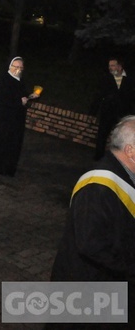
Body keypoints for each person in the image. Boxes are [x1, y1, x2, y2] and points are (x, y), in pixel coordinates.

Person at [51, 115, 135, 314]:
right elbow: (92, 245)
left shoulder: (125, 176)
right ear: (130, 151)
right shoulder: (97, 187)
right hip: (86, 290)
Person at [91, 57, 135, 161]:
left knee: (120, 137)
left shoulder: (130, 79)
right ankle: (98, 157)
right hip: (107, 112)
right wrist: (93, 112)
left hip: (122, 114)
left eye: (113, 65)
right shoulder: (106, 78)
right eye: (109, 65)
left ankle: (117, 159)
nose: (110, 68)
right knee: (102, 134)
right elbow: (98, 95)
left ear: (119, 67)